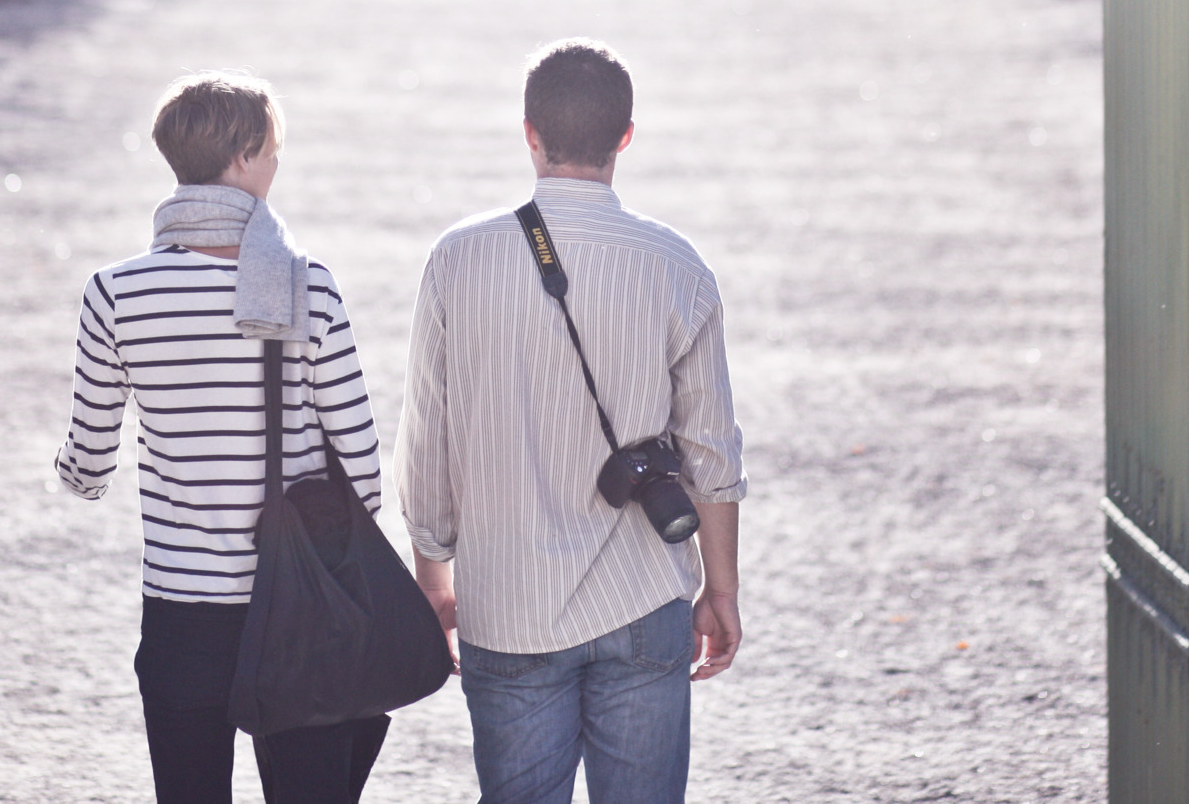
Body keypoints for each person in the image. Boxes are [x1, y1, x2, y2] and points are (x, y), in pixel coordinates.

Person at [400, 39, 747, 804]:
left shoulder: (458, 258)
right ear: (626, 135)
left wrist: (435, 575)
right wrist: (719, 590)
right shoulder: (675, 263)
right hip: (644, 594)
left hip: (507, 602)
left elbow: (428, 439)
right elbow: (712, 452)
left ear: (529, 132)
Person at [55, 71, 390, 804]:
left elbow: (90, 455)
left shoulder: (116, 292)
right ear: (241, 157)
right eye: (273, 148)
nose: (277, 163)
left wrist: (78, 475)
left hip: (181, 607)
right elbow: (360, 463)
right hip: (298, 600)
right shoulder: (311, 285)